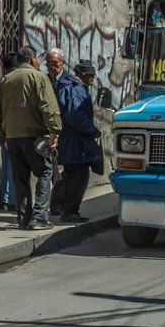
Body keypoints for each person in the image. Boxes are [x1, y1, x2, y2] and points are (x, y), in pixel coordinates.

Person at [0, 45, 62, 230]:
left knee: (20, 178)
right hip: (33, 136)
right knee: (45, 172)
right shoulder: (38, 77)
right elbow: (48, 106)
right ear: (32, 59)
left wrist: (2, 135)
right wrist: (54, 131)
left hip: (12, 137)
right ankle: (39, 216)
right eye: (38, 59)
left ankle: (23, 218)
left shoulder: (5, 80)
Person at [47, 51, 101, 224]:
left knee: (68, 174)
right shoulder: (76, 89)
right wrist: (92, 130)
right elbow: (75, 115)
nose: (92, 79)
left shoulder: (70, 86)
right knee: (78, 176)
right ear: (83, 75)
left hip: (70, 140)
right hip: (76, 142)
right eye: (91, 76)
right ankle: (70, 211)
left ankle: (58, 206)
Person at [0, 52, 19, 211]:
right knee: (14, 164)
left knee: (6, 163)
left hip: (4, 127)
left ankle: (5, 196)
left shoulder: (1, 82)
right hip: (14, 128)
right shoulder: (13, 82)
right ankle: (11, 198)